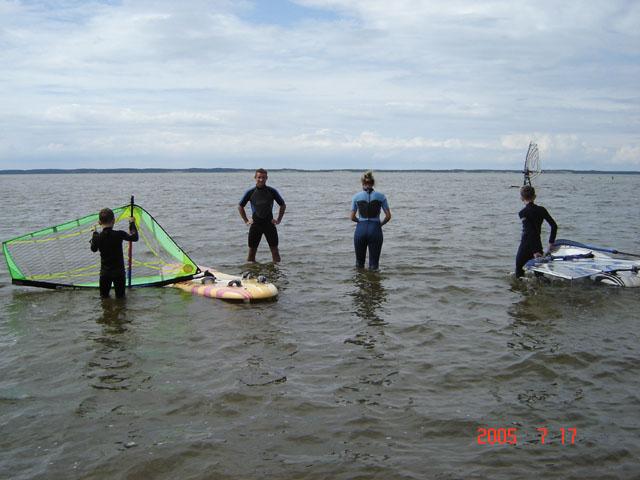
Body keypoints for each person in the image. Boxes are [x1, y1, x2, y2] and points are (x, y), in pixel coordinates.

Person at [238, 168, 286, 262]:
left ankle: (276, 274)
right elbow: (240, 206)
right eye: (259, 177)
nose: (261, 179)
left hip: (269, 225)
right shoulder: (250, 192)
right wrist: (246, 220)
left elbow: (282, 205)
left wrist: (278, 220)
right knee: (251, 252)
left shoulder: (272, 191)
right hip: (256, 225)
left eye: (263, 177)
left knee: (275, 251)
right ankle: (251, 274)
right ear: (255, 177)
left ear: (266, 178)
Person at [90, 208, 139, 298]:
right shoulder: (119, 234)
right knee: (121, 298)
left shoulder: (98, 237)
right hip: (119, 273)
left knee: (104, 298)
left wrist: (94, 233)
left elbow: (93, 249)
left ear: (100, 222)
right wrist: (132, 223)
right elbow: (134, 237)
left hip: (105, 273)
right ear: (114, 221)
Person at [350, 171, 391, 269]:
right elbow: (388, 216)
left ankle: (360, 283)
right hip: (375, 229)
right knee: (374, 264)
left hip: (360, 229)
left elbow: (352, 217)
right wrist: (380, 224)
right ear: (373, 183)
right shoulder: (381, 196)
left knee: (359, 264)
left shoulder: (356, 197)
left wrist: (359, 221)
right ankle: (374, 283)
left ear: (362, 183)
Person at [515, 185, 558, 278]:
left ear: (521, 198)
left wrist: (534, 251)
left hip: (526, 245)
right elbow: (554, 226)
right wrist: (551, 242)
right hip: (538, 244)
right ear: (534, 197)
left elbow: (529, 232)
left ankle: (520, 290)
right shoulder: (541, 210)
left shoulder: (523, 212)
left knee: (519, 269)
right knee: (539, 273)